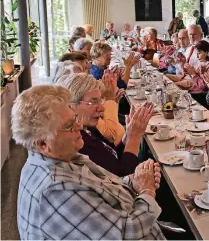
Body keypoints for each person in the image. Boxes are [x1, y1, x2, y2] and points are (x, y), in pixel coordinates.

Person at [13, 85, 165, 240]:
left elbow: (102, 187)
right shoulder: (57, 190)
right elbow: (128, 233)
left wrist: (134, 182)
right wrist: (147, 191)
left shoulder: (59, 158)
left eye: (75, 119)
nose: (79, 126)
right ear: (43, 144)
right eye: (69, 126)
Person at [58, 74, 153, 177]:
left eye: (100, 101)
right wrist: (134, 137)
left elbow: (113, 157)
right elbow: (121, 177)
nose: (102, 108)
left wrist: (127, 138)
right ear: (72, 106)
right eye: (93, 102)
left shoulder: (88, 129)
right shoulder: (77, 141)